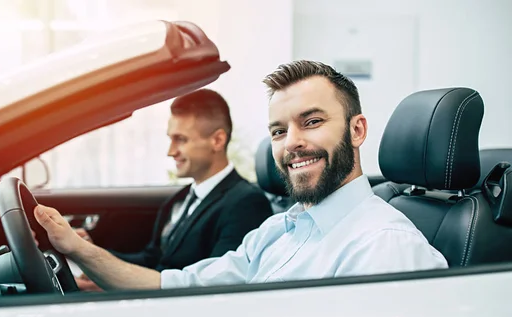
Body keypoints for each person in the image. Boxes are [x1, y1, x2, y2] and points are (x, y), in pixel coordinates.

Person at [34, 60, 448, 291]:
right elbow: (175, 287)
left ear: (357, 130)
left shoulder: (383, 247)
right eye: (279, 131)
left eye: (312, 121)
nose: (292, 143)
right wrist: (78, 250)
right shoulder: (276, 231)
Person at [73, 89, 273, 291]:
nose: (171, 151)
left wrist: (115, 286)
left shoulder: (246, 203)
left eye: (181, 139)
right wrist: (93, 253)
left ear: (217, 141)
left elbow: (217, 284)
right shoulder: (181, 197)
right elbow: (153, 259)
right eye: (171, 139)